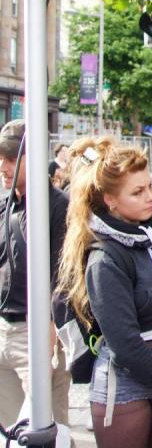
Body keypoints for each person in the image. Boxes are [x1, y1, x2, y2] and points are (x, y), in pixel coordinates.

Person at [56, 137, 152, 448]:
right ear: (110, 201)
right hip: (127, 378)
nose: (150, 197)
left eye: (149, 187)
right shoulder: (105, 258)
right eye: (138, 192)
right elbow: (124, 344)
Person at [0, 120, 72, 430]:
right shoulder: (5, 206)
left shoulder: (58, 207)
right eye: (2, 157)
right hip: (5, 328)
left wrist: (51, 333)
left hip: (39, 332)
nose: (3, 165)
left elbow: (63, 276)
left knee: (48, 430)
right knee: (11, 431)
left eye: (12, 158)